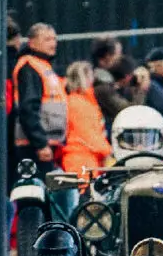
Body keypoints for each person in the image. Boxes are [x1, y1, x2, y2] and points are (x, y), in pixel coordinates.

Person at [12, 22, 66, 181]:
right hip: (33, 146)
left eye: (54, 39)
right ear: (32, 42)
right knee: (35, 190)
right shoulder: (30, 67)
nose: (53, 43)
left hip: (46, 143)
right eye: (47, 39)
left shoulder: (43, 65)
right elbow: (28, 108)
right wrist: (40, 143)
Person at [60, 61, 112, 175]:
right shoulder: (79, 103)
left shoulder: (78, 101)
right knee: (85, 191)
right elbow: (88, 134)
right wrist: (108, 151)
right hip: (82, 159)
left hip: (84, 157)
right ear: (85, 78)